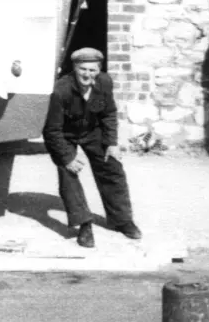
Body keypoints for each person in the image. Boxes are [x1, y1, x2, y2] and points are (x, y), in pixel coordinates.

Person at [42, 47, 142, 248]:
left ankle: (121, 220)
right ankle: (84, 224)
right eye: (83, 69)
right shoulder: (61, 90)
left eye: (92, 70)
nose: (87, 75)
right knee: (67, 173)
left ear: (99, 70)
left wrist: (112, 143)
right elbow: (52, 130)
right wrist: (68, 157)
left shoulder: (105, 82)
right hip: (64, 135)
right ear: (75, 68)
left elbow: (109, 114)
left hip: (91, 130)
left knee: (112, 167)